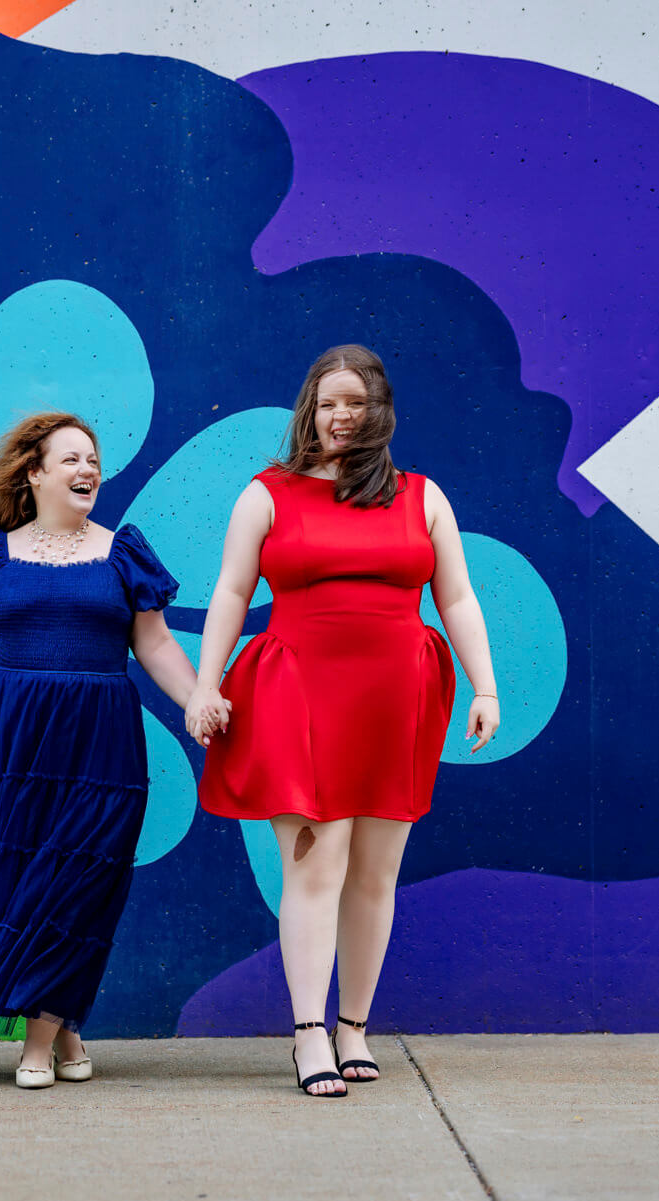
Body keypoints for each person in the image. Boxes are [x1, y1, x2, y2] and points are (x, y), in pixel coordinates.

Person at [187, 345, 500, 1098]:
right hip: (297, 696)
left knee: (375, 873)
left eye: (355, 403)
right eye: (328, 402)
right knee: (316, 866)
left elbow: (457, 597)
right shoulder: (266, 493)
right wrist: (205, 685)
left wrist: (486, 687)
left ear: (379, 411)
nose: (340, 416)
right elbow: (231, 591)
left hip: (398, 701)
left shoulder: (423, 496)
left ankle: (353, 1026)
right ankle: (308, 1034)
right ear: (310, 409)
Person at [0, 411, 205, 1089]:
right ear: (35, 474)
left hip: (101, 746)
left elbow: (154, 642)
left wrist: (195, 700)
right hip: (8, 746)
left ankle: (36, 1044)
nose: (86, 469)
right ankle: (62, 1029)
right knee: (17, 882)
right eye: (70, 459)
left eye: (92, 459)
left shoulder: (123, 553)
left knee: (75, 883)